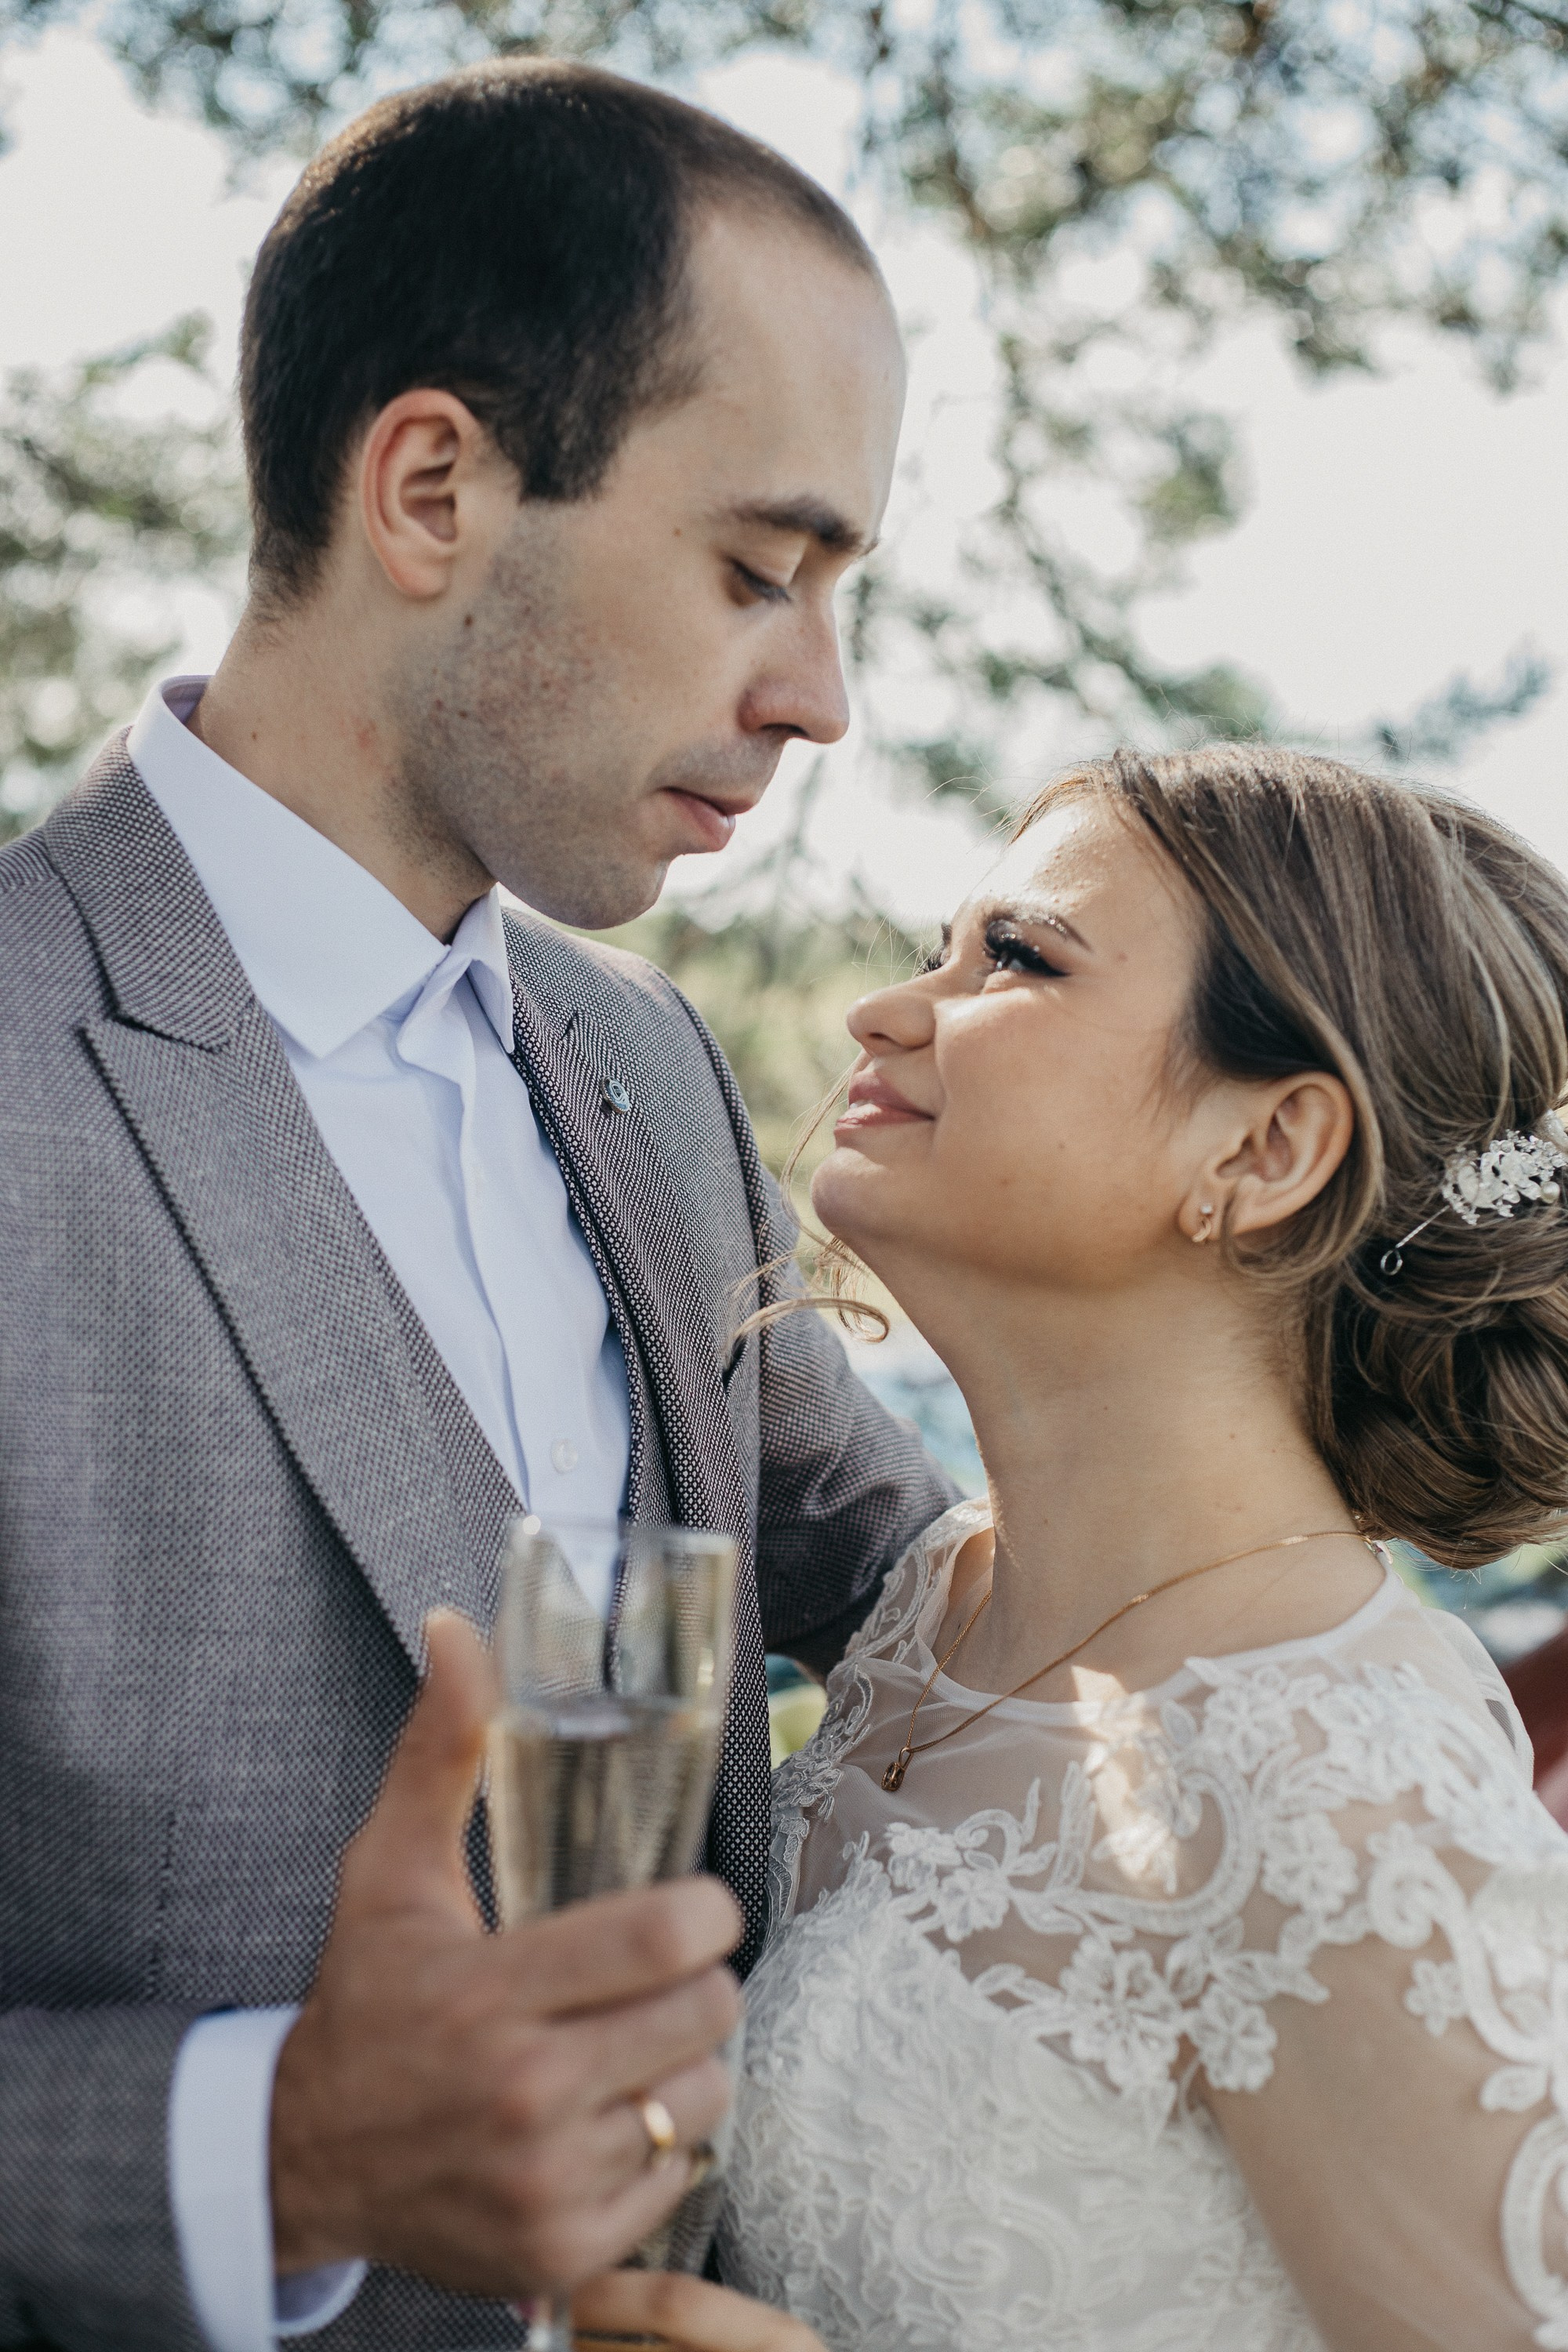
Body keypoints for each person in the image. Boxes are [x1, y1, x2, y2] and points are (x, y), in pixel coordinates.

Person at [0, 59, 953, 2352]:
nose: (818, 696)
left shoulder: (644, 1069)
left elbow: (927, 1572)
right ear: (430, 486)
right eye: (757, 568)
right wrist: (278, 2151)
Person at [718, 745, 1568, 2350]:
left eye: (1017, 958)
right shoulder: (931, 1607)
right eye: (936, 948)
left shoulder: (1343, 1793)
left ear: (1264, 1151)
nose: (883, 1013)